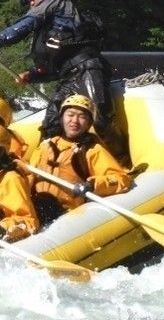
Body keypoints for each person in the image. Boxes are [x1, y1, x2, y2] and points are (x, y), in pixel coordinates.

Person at [0, 0, 113, 142]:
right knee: (52, 123)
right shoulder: (48, 30)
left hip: (87, 70)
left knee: (99, 120)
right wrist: (31, 74)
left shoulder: (55, 1)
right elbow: (53, 69)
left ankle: (117, 158)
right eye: (29, 1)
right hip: (68, 78)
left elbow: (25, 25)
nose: (32, 2)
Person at [27, 94, 132, 225]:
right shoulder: (45, 145)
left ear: (88, 123)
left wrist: (92, 185)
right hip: (39, 208)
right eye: (70, 115)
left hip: (68, 215)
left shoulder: (91, 150)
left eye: (82, 117)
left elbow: (121, 179)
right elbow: (29, 175)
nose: (74, 121)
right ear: (61, 118)